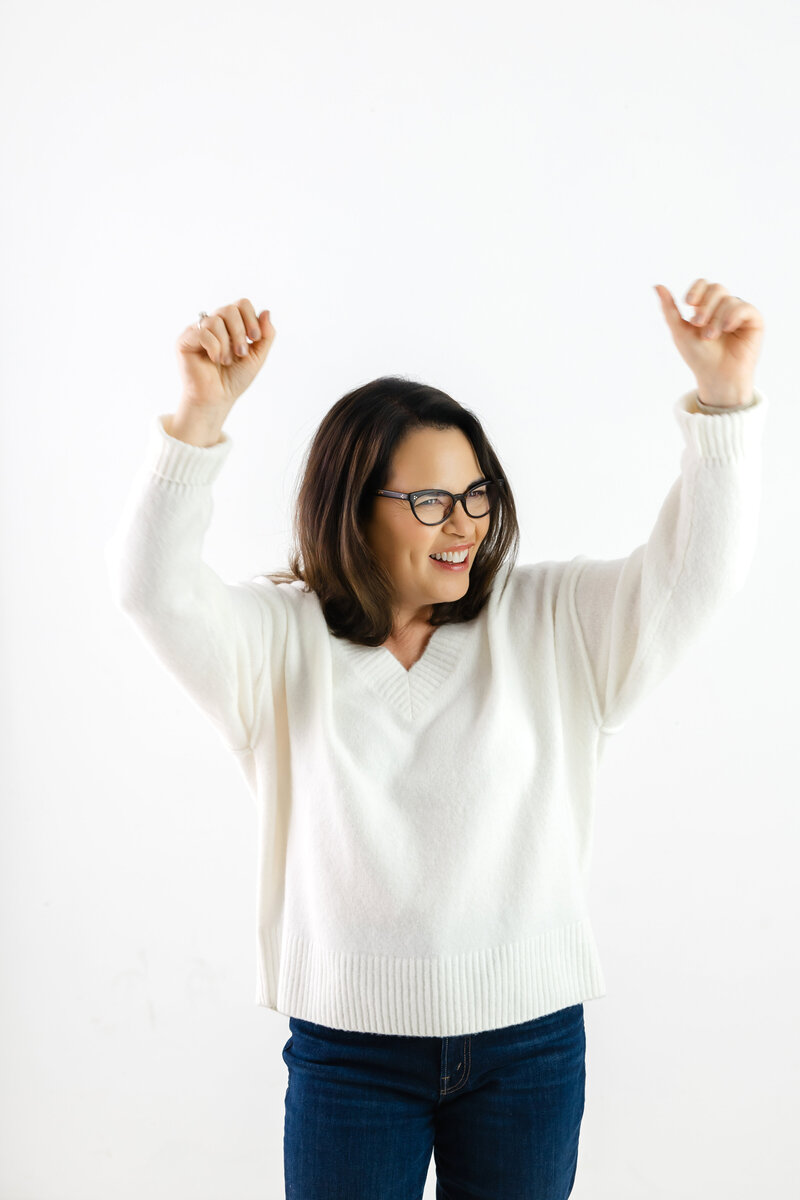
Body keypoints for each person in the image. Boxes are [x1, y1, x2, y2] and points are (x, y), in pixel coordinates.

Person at [104, 282, 767, 1199]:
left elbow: (698, 574)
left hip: (528, 1046)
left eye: (475, 494)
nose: (463, 523)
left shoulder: (552, 621)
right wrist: (199, 417)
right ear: (352, 505)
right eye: (427, 499)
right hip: (350, 1055)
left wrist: (723, 405)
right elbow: (151, 589)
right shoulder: (277, 642)